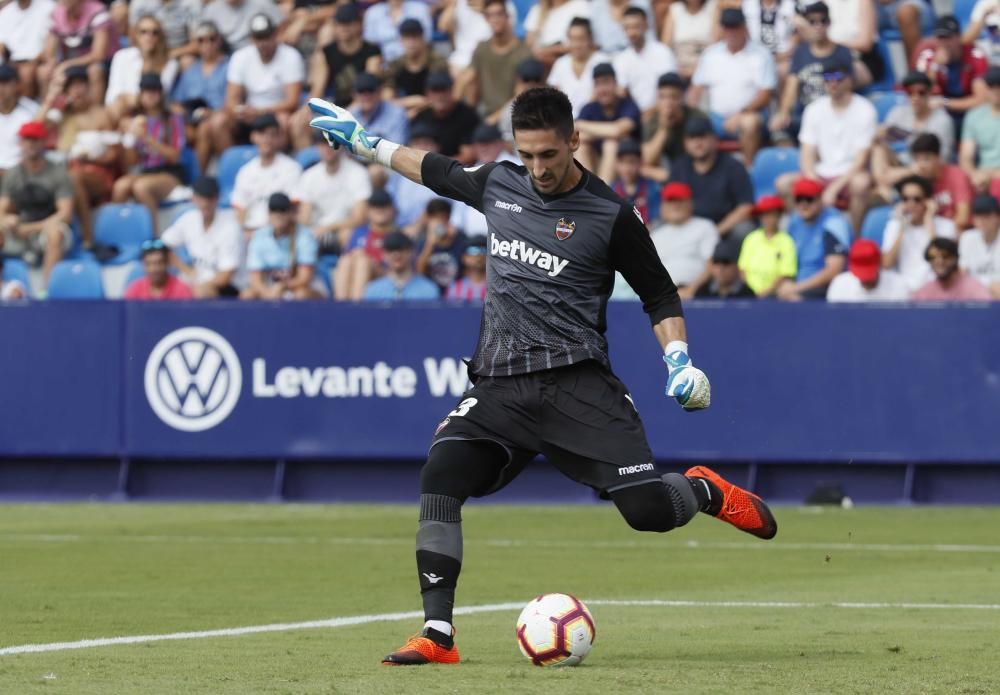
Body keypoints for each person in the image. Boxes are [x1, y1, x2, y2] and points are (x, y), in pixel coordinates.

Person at [308, 84, 776, 666]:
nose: (537, 168)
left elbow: (659, 293)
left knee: (648, 514)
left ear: (574, 141)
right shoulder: (500, 183)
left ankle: (703, 489)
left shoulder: (610, 215)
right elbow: (433, 169)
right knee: (442, 470)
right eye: (526, 154)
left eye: (548, 155)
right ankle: (438, 633)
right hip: (501, 385)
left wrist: (678, 358)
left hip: (578, 386)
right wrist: (365, 142)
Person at [777, 55, 876, 234]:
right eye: (827, 79)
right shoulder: (814, 109)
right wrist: (814, 182)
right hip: (822, 172)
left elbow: (860, 161)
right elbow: (806, 155)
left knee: (861, 183)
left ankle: (855, 236)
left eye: (837, 78)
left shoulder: (865, 109)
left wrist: (833, 188)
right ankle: (801, 233)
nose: (832, 83)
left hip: (849, 175)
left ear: (850, 80)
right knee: (784, 183)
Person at [39, 65, 118, 250]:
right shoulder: (61, 115)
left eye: (81, 85)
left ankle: (88, 238)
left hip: (97, 173)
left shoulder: (101, 114)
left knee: (74, 177)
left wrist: (90, 159)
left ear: (88, 87)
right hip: (64, 172)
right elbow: (35, 130)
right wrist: (51, 99)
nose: (77, 90)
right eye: (72, 86)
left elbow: (114, 155)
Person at [688, 7, 776, 163]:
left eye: (735, 27)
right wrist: (693, 114)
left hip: (748, 115)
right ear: (722, 29)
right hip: (715, 118)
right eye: (727, 27)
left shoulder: (761, 55)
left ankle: (749, 172)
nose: (732, 32)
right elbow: (696, 89)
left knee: (750, 124)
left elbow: (766, 93)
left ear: (744, 27)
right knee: (690, 125)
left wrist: (741, 113)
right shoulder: (711, 54)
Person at [770, 1, 856, 145]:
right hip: (806, 115)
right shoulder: (800, 52)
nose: (818, 26)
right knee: (778, 129)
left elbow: (848, 88)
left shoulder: (842, 52)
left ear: (829, 23)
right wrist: (783, 112)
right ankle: (793, 162)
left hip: (834, 113)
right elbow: (791, 88)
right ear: (806, 25)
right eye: (812, 22)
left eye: (823, 21)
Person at [0, 121, 74, 288]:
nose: (30, 144)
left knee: (55, 234)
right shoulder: (13, 173)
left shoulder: (58, 172)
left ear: (44, 142)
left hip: (48, 226)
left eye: (35, 140)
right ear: (20, 143)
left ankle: (46, 292)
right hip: (20, 227)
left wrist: (31, 228)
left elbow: (65, 214)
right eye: (27, 140)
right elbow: (2, 209)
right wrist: (7, 219)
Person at [110, 73, 186, 235]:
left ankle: (153, 235)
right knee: (120, 186)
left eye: (154, 92)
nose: (150, 96)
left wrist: (147, 139)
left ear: (160, 94)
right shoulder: (135, 120)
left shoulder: (172, 119)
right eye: (146, 92)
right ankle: (117, 233)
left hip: (169, 172)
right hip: (145, 171)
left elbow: (175, 156)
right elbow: (131, 162)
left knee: (141, 187)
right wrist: (129, 140)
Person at [666, 116, 754, 250]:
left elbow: (745, 207)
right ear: (685, 143)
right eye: (692, 138)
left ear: (714, 139)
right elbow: (668, 203)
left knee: (744, 229)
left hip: (723, 230)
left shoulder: (733, 166)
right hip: (688, 226)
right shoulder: (679, 167)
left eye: (702, 136)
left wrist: (714, 232)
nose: (697, 142)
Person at [223, 13, 305, 146]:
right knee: (219, 121)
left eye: (266, 37)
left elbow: (292, 102)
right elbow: (231, 99)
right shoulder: (240, 57)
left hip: (277, 112)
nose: (263, 43)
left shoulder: (290, 56)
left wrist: (261, 112)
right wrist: (240, 111)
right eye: (258, 38)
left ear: (275, 35)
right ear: (252, 39)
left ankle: (276, 163)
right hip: (249, 112)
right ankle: (231, 162)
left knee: (282, 121)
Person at [160, 176, 242, 298]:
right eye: (201, 197)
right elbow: (162, 246)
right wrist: (186, 270)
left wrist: (195, 287)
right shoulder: (189, 219)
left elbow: (225, 276)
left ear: (217, 198)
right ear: (194, 198)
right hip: (198, 282)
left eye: (209, 198)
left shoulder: (230, 226)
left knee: (198, 293)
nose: (205, 203)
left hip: (229, 287)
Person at [874, 133, 975, 230]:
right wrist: (910, 171)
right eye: (917, 160)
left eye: (926, 159)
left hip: (957, 232)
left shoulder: (956, 176)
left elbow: (963, 218)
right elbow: (884, 179)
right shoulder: (918, 179)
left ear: (938, 157)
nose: (921, 165)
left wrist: (943, 231)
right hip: (929, 232)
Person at [296, 131, 372, 257]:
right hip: (317, 232)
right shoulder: (309, 176)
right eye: (323, 144)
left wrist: (329, 227)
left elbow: (360, 217)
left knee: (347, 234)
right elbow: (304, 217)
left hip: (345, 229)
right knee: (300, 238)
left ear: (341, 145)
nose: (328, 148)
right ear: (317, 147)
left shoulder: (358, 173)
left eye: (332, 143)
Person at [171, 21, 231, 173]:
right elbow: (177, 102)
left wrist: (212, 113)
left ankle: (200, 180)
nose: (207, 44)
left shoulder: (230, 65)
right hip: (193, 119)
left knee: (206, 127)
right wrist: (184, 113)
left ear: (219, 40)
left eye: (212, 39)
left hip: (222, 117)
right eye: (201, 40)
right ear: (196, 44)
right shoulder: (191, 70)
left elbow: (234, 100)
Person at [881, 174, 957, 292]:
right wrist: (902, 228)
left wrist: (929, 223)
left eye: (917, 199)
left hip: (937, 289)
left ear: (928, 201)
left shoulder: (946, 225)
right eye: (905, 199)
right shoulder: (894, 226)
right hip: (904, 290)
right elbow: (886, 264)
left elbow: (942, 261)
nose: (911, 204)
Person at [778, 177, 850, 300]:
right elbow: (785, 259)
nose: (803, 204)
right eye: (799, 199)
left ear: (820, 200)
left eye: (809, 199)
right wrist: (785, 283)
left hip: (827, 288)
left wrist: (797, 288)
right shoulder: (794, 222)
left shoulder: (833, 223)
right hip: (799, 285)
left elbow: (834, 270)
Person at [458, 0, 532, 119]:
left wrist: (495, 119)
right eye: (489, 15)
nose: (495, 19)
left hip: (514, 116)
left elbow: (521, 94)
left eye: (499, 14)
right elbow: (466, 78)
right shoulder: (482, 48)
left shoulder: (523, 52)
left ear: (507, 16)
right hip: (485, 113)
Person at [230, 113, 303, 234]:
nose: (267, 139)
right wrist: (245, 232)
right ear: (253, 136)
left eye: (272, 135)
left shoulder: (291, 168)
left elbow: (294, 209)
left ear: (280, 138)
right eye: (262, 133)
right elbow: (239, 210)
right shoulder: (246, 171)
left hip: (279, 233)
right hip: (250, 232)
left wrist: (266, 235)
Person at [242, 192, 322, 300]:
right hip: (271, 287)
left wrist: (283, 286)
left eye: (283, 210)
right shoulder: (259, 237)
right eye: (274, 210)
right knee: (247, 295)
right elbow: (256, 279)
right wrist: (267, 293)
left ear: (290, 213)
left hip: (298, 286)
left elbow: (304, 278)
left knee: (301, 294)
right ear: (269, 213)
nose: (278, 215)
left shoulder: (304, 236)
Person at [39, 0, 119, 105]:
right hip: (73, 62)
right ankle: (49, 112)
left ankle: (96, 114)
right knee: (44, 71)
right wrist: (52, 63)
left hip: (105, 62)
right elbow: (49, 51)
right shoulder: (56, 13)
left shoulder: (98, 11)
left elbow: (99, 54)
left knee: (95, 71)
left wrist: (65, 65)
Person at [916, 15, 989, 128]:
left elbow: (981, 99)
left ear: (959, 37)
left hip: (971, 111)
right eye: (940, 37)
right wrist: (935, 67)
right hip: (942, 113)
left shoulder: (975, 56)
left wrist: (945, 103)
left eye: (948, 37)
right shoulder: (929, 57)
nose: (944, 43)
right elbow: (921, 94)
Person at [875, 71, 955, 170]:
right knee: (877, 145)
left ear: (929, 93)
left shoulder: (942, 120)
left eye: (921, 92)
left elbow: (943, 158)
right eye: (910, 93)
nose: (915, 97)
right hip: (897, 164)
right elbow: (886, 141)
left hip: (927, 170)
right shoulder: (897, 113)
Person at [575, 63, 641, 183]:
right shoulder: (589, 108)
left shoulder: (629, 105)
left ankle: (603, 195)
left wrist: (581, 125)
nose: (602, 89)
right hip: (595, 161)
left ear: (615, 84)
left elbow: (618, 130)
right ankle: (587, 192)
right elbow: (575, 134)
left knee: (611, 144)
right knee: (581, 146)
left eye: (606, 82)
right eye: (598, 84)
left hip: (627, 164)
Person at [650, 181, 718, 297]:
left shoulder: (705, 227)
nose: (675, 205)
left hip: (697, 294)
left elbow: (711, 265)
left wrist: (691, 290)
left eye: (680, 200)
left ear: (691, 203)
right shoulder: (656, 234)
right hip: (662, 296)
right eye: (670, 201)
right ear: (663, 206)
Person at [104, 14, 179, 120]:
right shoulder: (122, 56)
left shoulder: (170, 63)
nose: (149, 36)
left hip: (153, 112)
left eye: (155, 33)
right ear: (136, 35)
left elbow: (159, 95)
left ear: (160, 37)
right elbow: (113, 93)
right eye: (144, 32)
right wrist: (132, 99)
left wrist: (133, 99)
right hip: (122, 109)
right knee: (115, 106)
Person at [335, 188, 399, 299]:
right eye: (375, 206)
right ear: (368, 210)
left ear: (392, 209)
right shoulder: (359, 232)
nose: (379, 210)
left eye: (384, 205)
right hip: (359, 273)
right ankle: (341, 305)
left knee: (362, 261)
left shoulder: (398, 234)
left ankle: (357, 309)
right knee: (346, 260)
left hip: (388, 275)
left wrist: (369, 260)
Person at [612, 6, 677, 116]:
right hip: (632, 116)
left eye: (636, 27)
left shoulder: (663, 53)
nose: (632, 32)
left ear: (646, 26)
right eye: (627, 28)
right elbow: (621, 92)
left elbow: (671, 89)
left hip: (662, 113)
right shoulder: (621, 59)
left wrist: (650, 112)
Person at [641, 72, 706, 176]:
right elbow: (647, 159)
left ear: (681, 98)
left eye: (673, 97)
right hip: (666, 172)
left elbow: (703, 153)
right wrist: (664, 128)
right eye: (662, 97)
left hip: (693, 170)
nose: (668, 103)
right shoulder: (653, 120)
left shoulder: (697, 117)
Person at [382, 18, 449, 117]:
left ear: (422, 38)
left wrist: (417, 108)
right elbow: (386, 99)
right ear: (401, 40)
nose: (411, 42)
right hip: (404, 112)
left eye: (414, 37)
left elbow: (440, 97)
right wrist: (410, 102)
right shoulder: (396, 65)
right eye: (406, 38)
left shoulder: (437, 63)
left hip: (435, 112)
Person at [409, 71, 481, 163]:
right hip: (424, 166)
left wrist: (439, 166)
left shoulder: (467, 116)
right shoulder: (422, 116)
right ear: (427, 93)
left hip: (457, 171)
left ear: (452, 91)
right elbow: (412, 148)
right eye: (435, 90)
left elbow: (469, 156)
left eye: (443, 90)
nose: (440, 96)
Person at [546, 18, 609, 118]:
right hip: (566, 121)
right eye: (573, 39)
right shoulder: (560, 63)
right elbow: (555, 96)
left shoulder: (602, 60)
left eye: (581, 39)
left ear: (590, 39)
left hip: (595, 120)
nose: (577, 44)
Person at [737, 194, 797, 297]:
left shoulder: (786, 241)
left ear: (779, 216)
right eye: (765, 214)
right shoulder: (751, 238)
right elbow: (742, 269)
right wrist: (750, 290)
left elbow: (786, 273)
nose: (768, 219)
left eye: (772, 214)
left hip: (774, 294)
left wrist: (766, 292)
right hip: (748, 292)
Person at [0, 0, 56, 99]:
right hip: (11, 62)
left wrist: (33, 62)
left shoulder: (48, 7)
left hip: (39, 60)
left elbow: (50, 45)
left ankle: (29, 109)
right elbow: (2, 45)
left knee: (25, 74)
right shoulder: (5, 12)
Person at [363, 229, 441, 299]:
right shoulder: (373, 291)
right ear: (384, 254)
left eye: (402, 249)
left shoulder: (428, 290)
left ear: (411, 252)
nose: (397, 255)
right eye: (391, 250)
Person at [959, 66, 1000, 199]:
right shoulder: (974, 116)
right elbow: (965, 157)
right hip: (982, 177)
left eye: (999, 85)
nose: (995, 90)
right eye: (991, 86)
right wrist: (975, 175)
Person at [826, 238, 909, 302]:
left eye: (869, 271)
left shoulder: (898, 285)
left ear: (879, 264)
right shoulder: (840, 285)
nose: (865, 279)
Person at [413, 198, 467, 292]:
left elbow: (467, 269)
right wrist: (430, 243)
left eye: (442, 217)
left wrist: (450, 239)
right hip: (431, 293)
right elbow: (419, 272)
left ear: (448, 218)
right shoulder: (421, 239)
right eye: (435, 218)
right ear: (428, 219)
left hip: (455, 293)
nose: (439, 222)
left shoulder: (461, 238)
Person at [911, 237, 992, 300]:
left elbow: (987, 315)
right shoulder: (925, 292)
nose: (939, 261)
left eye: (945, 255)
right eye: (932, 256)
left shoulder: (973, 288)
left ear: (955, 258)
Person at [524, 0, 592, 66]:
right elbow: (530, 43)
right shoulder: (537, 9)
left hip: (571, 60)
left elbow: (581, 42)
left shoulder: (580, 4)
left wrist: (547, 51)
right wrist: (541, 19)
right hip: (540, 63)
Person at [363, 0, 433, 63]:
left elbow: (426, 40)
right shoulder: (373, 12)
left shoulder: (420, 9)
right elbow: (370, 44)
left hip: (413, 62)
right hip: (383, 64)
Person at [661, 0, 716, 79]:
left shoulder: (713, 7)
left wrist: (699, 70)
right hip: (678, 68)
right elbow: (665, 48)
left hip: (706, 67)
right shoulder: (675, 9)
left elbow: (716, 45)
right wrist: (676, 69)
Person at [123, 239, 195, 299]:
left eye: (159, 263)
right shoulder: (134, 290)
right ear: (143, 265)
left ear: (167, 263)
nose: (154, 269)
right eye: (149, 264)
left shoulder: (181, 290)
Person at [0, 65, 39, 176]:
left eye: (5, 83)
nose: (0, 88)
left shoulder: (31, 109)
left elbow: (35, 148)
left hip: (21, 174)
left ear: (17, 85)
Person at [199, 0, 283, 51]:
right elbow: (200, 38)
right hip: (223, 58)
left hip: (257, 52)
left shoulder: (262, 3)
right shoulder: (211, 9)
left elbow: (281, 27)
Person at [959, 193, 1000, 297]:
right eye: (978, 216)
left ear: (998, 217)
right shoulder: (967, 237)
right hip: (974, 292)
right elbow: (962, 272)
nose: (982, 221)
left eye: (987, 216)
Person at [611, 139, 660, 225]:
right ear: (616, 164)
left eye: (632, 162)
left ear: (640, 163)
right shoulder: (611, 190)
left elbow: (656, 220)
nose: (627, 168)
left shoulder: (652, 188)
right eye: (622, 162)